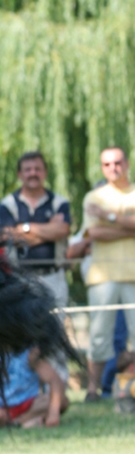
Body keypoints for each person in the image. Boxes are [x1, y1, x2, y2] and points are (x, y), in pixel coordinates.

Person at [78, 146, 135, 400]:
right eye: (108, 164)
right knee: (99, 335)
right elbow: (94, 233)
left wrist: (108, 217)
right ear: (102, 168)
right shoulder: (94, 197)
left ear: (127, 163)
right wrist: (127, 226)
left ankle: (127, 389)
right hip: (103, 276)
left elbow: (103, 228)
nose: (114, 168)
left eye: (118, 162)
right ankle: (93, 390)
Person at [0, 152, 71, 308]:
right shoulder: (8, 204)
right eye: (28, 169)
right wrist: (49, 231)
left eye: (37, 169)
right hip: (19, 278)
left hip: (53, 277)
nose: (33, 173)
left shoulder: (59, 202)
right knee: (22, 329)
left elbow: (63, 230)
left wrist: (25, 228)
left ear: (45, 172)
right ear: (19, 174)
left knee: (55, 328)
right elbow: (10, 237)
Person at [0, 345, 68, 429]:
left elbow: (55, 381)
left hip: (28, 406)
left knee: (60, 401)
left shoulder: (30, 351)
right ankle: (27, 422)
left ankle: (19, 422)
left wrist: (54, 414)